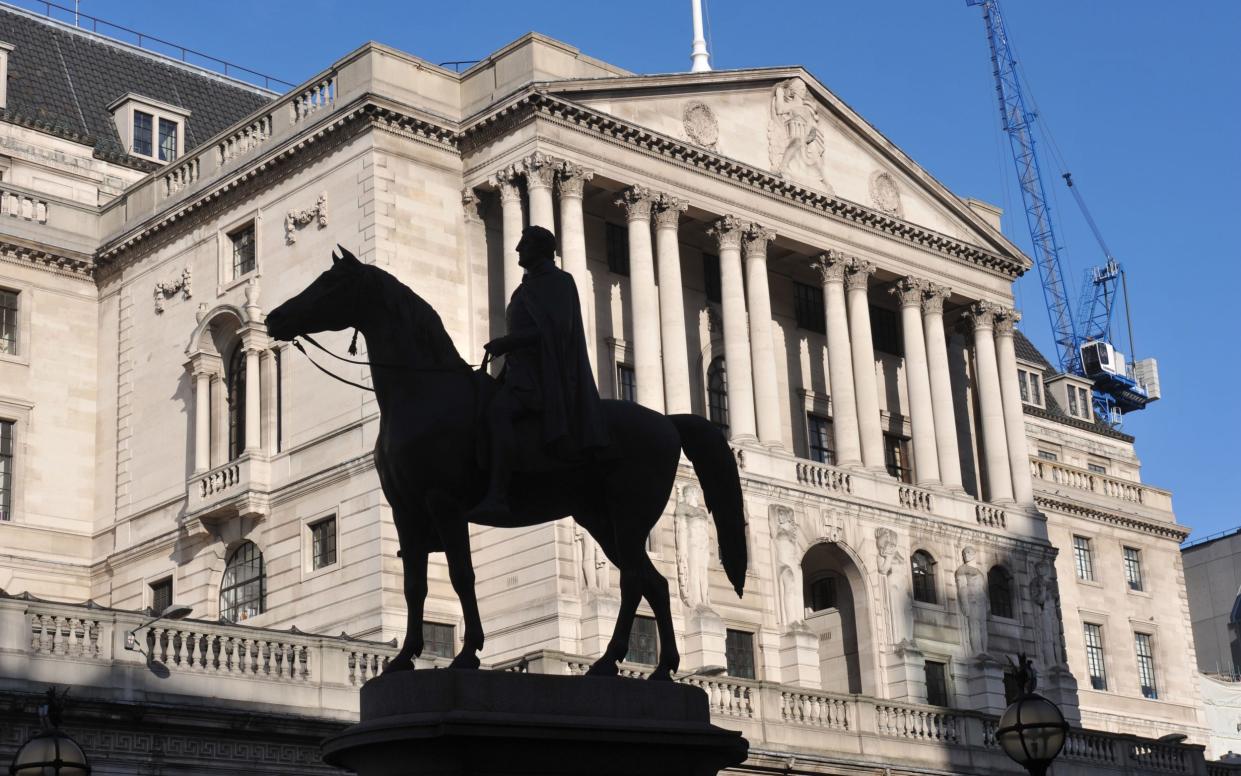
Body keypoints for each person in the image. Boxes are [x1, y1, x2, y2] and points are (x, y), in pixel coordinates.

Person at [469, 225, 608, 521]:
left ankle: (497, 495)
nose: (518, 249)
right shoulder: (528, 286)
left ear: (540, 248)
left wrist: (509, 341)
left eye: (524, 244)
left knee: (498, 413)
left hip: (545, 378)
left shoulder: (558, 282)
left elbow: (557, 330)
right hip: (520, 372)